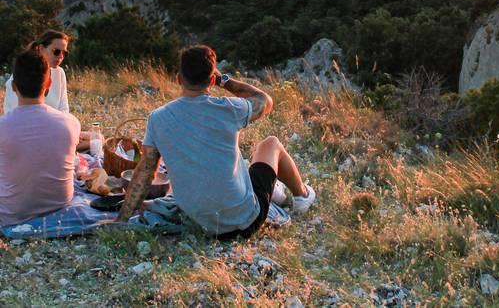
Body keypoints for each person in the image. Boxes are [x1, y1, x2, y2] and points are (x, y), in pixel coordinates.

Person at [117, 45, 316, 237]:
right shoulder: (229, 108)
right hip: (245, 222)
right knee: (271, 143)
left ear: (178, 78)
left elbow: (144, 174)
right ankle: (302, 196)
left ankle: (279, 192)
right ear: (211, 81)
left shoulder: (157, 118)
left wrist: (121, 220)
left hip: (200, 222)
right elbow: (265, 100)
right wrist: (225, 80)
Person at [0, 49, 80, 227]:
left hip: (13, 212)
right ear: (49, 84)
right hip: (59, 203)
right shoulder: (71, 123)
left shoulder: (2, 127)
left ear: (13, 87)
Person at [3, 30, 70, 114]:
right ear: (41, 48)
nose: (61, 56)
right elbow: (14, 113)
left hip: (53, 125)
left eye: (64, 53)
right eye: (56, 51)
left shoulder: (59, 73)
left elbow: (64, 108)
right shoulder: (23, 73)